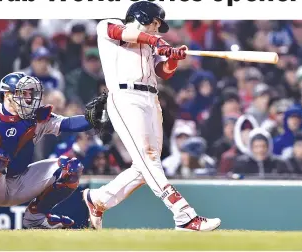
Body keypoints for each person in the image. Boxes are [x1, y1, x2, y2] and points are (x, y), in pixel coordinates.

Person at [81, 1, 221, 232]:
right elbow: (124, 33)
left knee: (145, 166)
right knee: (149, 160)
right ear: (142, 17)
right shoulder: (110, 26)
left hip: (151, 99)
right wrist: (158, 42)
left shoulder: (149, 43)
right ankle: (184, 215)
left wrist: (173, 58)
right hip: (125, 97)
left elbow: (162, 72)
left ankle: (98, 199)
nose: (157, 29)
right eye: (155, 23)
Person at [0, 72, 107, 229]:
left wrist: (98, 116)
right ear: (7, 94)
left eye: (30, 93)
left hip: (18, 183)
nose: (29, 98)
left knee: (70, 168)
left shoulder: (37, 118)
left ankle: (36, 218)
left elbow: (68, 124)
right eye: (23, 93)